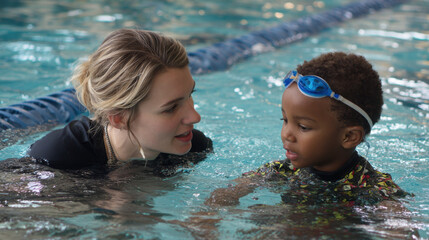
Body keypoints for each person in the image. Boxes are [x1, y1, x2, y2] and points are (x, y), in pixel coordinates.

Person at [206, 52, 408, 207]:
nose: (286, 134)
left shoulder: (374, 187)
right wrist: (208, 215)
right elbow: (226, 193)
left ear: (349, 136)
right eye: (285, 120)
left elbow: (400, 225)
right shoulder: (281, 171)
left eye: (303, 126)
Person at [29, 29, 212, 171]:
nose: (195, 117)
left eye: (190, 94)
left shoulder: (193, 148)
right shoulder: (56, 158)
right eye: (171, 108)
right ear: (118, 118)